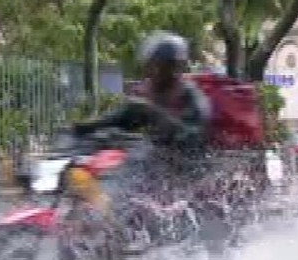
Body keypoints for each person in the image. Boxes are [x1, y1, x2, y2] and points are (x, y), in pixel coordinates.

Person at [72, 32, 213, 198]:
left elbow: (193, 138)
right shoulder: (149, 91)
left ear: (177, 67)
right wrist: (84, 128)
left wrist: (154, 113)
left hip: (186, 170)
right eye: (152, 64)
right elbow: (122, 116)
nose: (155, 70)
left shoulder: (191, 96)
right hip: (153, 160)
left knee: (125, 189)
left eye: (162, 65)